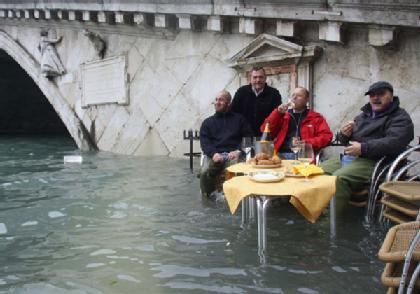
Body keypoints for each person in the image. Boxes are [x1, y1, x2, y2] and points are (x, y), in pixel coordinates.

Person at [320, 81, 414, 210]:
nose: (375, 98)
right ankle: (318, 210)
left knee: (338, 180)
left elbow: (395, 142)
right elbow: (346, 142)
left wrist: (363, 148)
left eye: (381, 94)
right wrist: (344, 134)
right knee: (318, 172)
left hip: (379, 161)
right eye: (372, 95)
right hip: (354, 157)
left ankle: (331, 223)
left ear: (391, 97)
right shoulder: (363, 115)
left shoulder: (400, 117)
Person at [200, 90, 253, 198]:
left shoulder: (239, 119)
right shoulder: (207, 122)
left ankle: (234, 197)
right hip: (215, 155)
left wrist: (238, 150)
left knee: (236, 169)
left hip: (234, 155)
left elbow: (248, 137)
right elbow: (205, 142)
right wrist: (214, 154)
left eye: (221, 100)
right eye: (216, 100)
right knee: (205, 172)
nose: (217, 102)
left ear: (229, 103)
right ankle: (208, 197)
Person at [260, 86, 333, 159]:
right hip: (281, 154)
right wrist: (277, 113)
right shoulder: (283, 116)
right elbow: (265, 130)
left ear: (306, 100)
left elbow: (326, 137)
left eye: (299, 96)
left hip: (303, 155)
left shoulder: (315, 117)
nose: (294, 98)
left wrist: (306, 143)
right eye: (293, 95)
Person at [231, 67, 282, 137]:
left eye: (261, 77)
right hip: (244, 136)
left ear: (265, 78)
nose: (258, 80)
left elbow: (277, 116)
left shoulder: (274, 93)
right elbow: (234, 113)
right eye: (255, 77)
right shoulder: (241, 92)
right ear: (250, 78)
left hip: (266, 135)